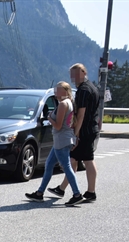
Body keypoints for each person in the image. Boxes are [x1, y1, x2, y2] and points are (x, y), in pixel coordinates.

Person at [25, 81, 84, 207]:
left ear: (64, 91)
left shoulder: (63, 104)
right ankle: (40, 193)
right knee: (49, 164)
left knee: (66, 167)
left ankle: (77, 194)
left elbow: (57, 126)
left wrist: (49, 117)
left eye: (58, 90)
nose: (55, 92)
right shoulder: (69, 103)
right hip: (64, 139)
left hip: (61, 140)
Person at [51, 63, 100, 202]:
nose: (74, 77)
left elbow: (81, 114)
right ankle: (62, 188)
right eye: (72, 75)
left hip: (84, 131)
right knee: (74, 160)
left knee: (86, 160)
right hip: (91, 129)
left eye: (77, 74)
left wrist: (76, 133)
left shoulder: (84, 90)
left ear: (84, 72)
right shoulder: (92, 87)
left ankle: (89, 192)